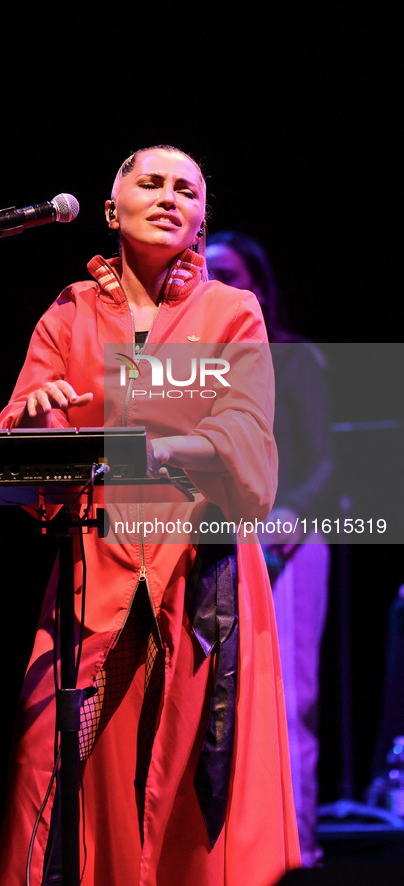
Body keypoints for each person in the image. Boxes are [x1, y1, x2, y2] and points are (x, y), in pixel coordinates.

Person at [0, 147, 300, 886]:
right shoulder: (70, 310)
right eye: (149, 182)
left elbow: (243, 442)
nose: (168, 197)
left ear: (200, 220)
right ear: (110, 210)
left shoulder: (231, 311)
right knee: (53, 760)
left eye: (186, 190)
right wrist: (37, 427)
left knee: (199, 782)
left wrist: (119, 454)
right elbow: (19, 447)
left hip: (201, 569)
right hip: (94, 566)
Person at [205, 231, 334, 867]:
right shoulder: (196, 359)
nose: (215, 280)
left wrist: (292, 512)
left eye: (228, 271)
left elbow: (325, 460)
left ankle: (296, 846)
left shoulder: (293, 357)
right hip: (218, 535)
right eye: (207, 271)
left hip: (293, 536)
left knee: (290, 694)